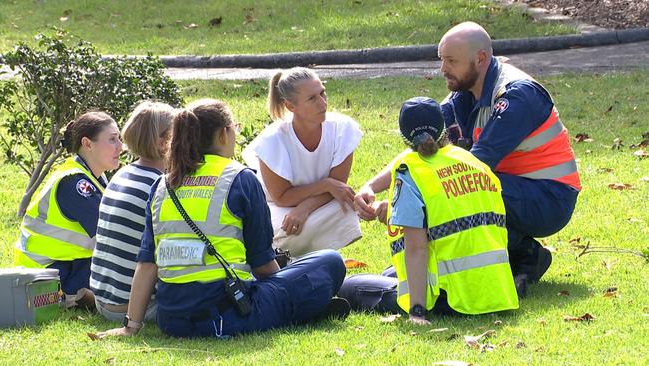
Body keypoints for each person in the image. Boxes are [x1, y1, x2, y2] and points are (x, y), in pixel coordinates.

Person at [354, 22, 581, 296]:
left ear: (481, 59)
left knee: (460, 190)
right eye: (442, 59)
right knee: (453, 189)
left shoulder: (517, 96)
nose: (443, 69)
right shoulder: (466, 90)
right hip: (513, 187)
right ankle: (516, 254)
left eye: (451, 60)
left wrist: (406, 205)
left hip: (549, 199)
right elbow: (424, 146)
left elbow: (471, 171)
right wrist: (371, 186)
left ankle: (523, 253)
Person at [98, 99, 348, 339]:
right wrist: (284, 283)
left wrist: (131, 326)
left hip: (172, 320)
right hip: (230, 314)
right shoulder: (239, 178)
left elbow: (147, 264)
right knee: (329, 261)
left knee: (296, 280)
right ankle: (305, 306)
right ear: (223, 134)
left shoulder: (162, 184)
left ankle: (304, 304)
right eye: (234, 129)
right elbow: (262, 265)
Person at [340, 97, 519, 324]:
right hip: (496, 289)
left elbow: (417, 248)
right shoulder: (471, 160)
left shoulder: (410, 174)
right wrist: (371, 188)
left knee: (350, 286)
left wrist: (417, 312)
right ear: (444, 129)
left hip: (449, 297)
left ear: (403, 137)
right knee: (389, 273)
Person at [242, 67, 362, 257]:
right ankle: (283, 255)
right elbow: (281, 197)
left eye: (323, 93)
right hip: (278, 209)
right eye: (312, 99)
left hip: (318, 204)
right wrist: (325, 185)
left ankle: (305, 256)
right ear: (291, 106)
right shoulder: (272, 140)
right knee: (287, 226)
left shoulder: (342, 129)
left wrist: (305, 208)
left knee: (346, 208)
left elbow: (339, 188)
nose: (322, 103)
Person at [14, 111, 123, 307]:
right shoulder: (75, 182)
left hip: (65, 267)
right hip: (47, 278)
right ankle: (74, 298)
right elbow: (113, 235)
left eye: (120, 138)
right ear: (87, 144)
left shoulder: (91, 176)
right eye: (112, 140)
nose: (120, 147)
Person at [90, 101, 175, 322]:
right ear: (162, 143)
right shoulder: (160, 186)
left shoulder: (122, 174)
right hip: (137, 308)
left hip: (104, 301)